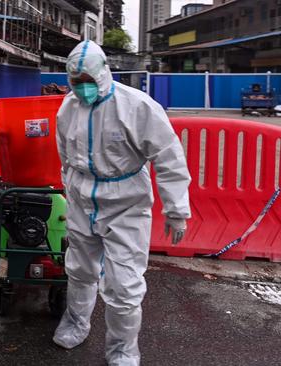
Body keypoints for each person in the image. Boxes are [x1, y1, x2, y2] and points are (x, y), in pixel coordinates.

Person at [53, 40, 191, 365]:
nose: (82, 88)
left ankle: (123, 350)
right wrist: (69, 190)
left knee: (124, 285)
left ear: (104, 73)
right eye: (76, 82)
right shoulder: (67, 108)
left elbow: (169, 157)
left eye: (88, 81)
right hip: (81, 199)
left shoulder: (136, 106)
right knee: (79, 270)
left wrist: (176, 210)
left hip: (126, 203)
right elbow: (65, 156)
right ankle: (76, 323)